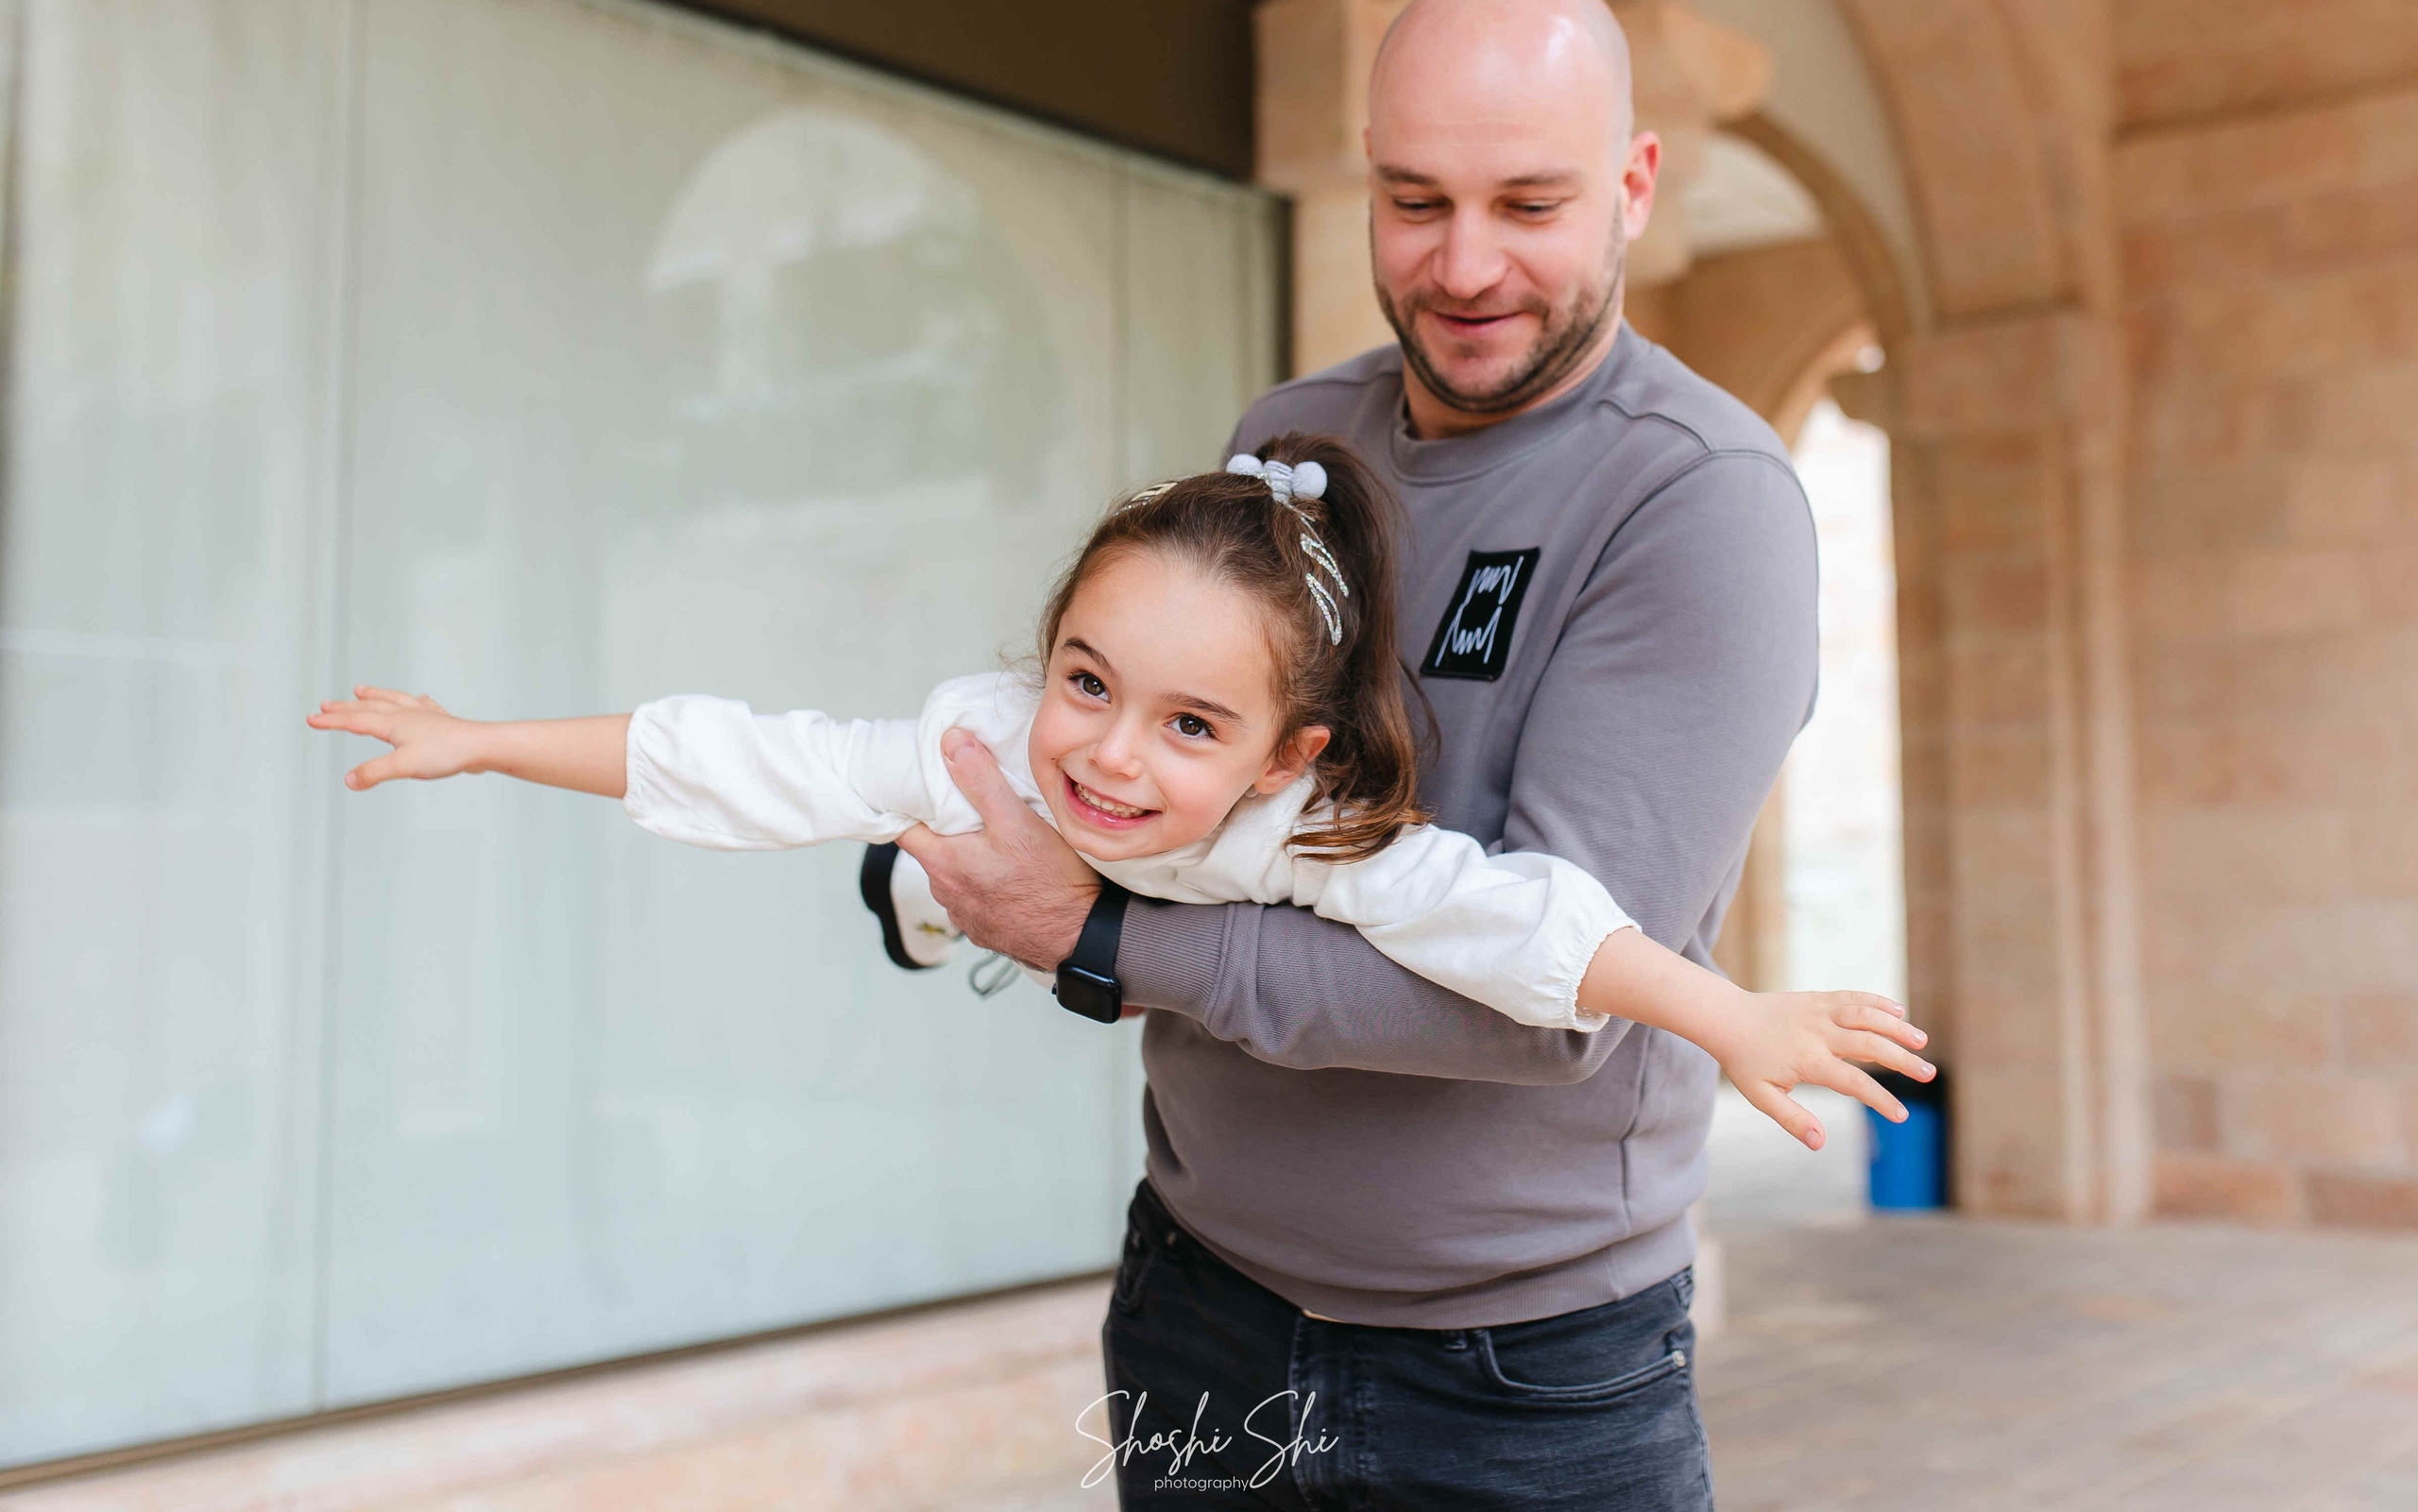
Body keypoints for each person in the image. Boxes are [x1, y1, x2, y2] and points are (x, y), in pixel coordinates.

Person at [893, 0, 1825, 1509]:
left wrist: (1101, 939)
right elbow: (1191, 788)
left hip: (1521, 1379)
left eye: (1530, 206)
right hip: (1203, 1309)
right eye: (1414, 200)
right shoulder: (1289, 439)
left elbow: (1550, 998)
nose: (1463, 267)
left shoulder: (1702, 506)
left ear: (1635, 186)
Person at [307, 433, 1927, 1135]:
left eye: (1189, 727)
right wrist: (487, 740)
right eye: (1088, 681)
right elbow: (737, 756)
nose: (1111, 754)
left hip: (1107, 942)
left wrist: (1733, 1018)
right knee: (917, 853)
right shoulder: (995, 744)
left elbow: (1528, 930)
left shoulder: (1317, 834)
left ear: (1289, 755)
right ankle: (926, 907)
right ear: (1045, 660)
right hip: (961, 877)